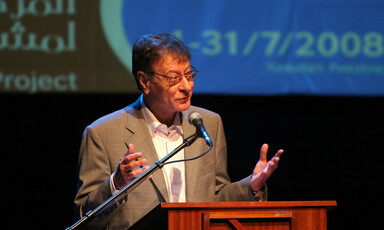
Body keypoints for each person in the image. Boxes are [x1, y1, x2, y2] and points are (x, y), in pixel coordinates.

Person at [74, 32, 284, 230]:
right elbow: (84, 217)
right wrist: (115, 184)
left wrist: (251, 186)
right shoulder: (102, 133)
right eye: (174, 78)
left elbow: (216, 198)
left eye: (188, 74)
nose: (187, 86)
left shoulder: (207, 123)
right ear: (145, 81)